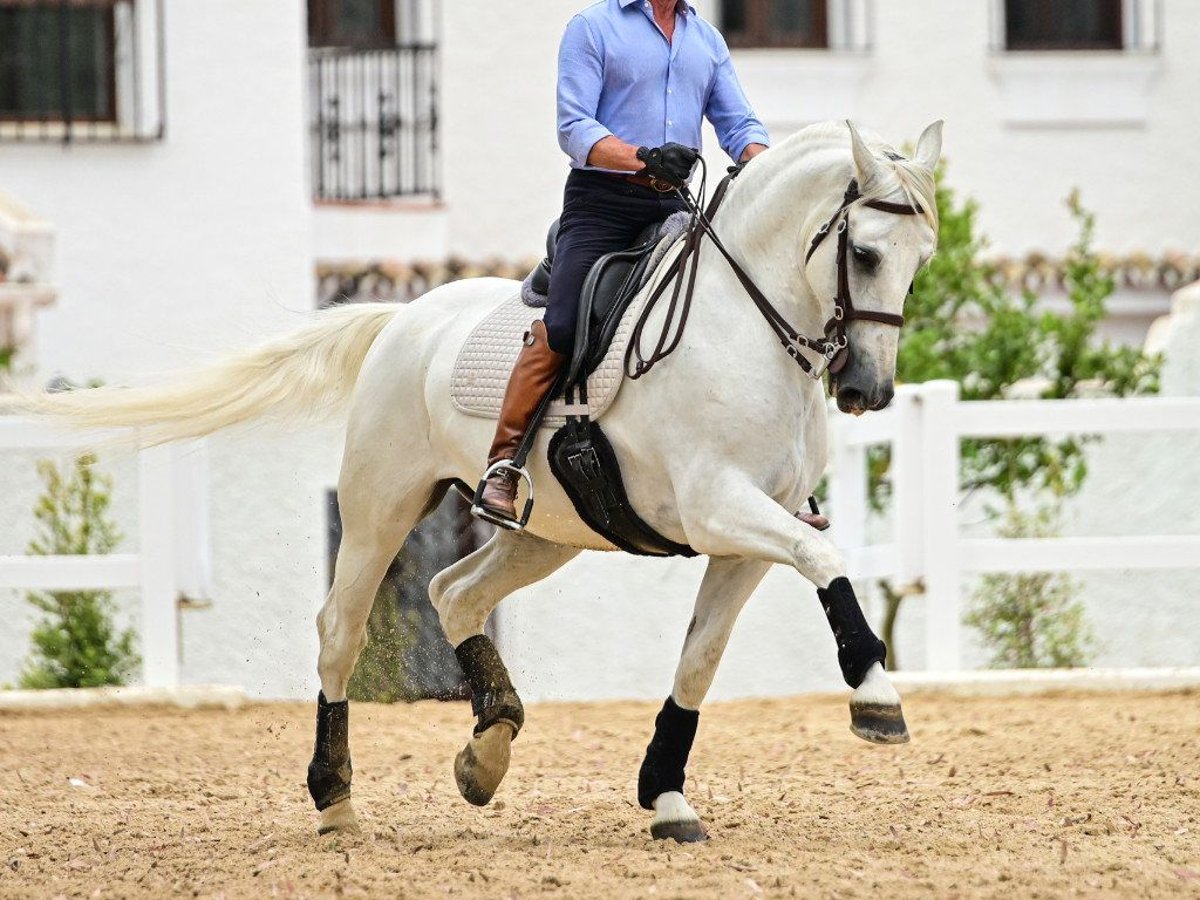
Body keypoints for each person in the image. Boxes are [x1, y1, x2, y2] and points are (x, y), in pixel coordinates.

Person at [473, 0, 770, 525]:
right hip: (601, 204)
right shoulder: (593, 28)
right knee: (564, 323)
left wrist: (767, 168)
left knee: (736, 305)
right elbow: (574, 127)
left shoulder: (707, 40)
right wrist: (643, 157)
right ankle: (504, 467)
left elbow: (738, 122)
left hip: (676, 203)